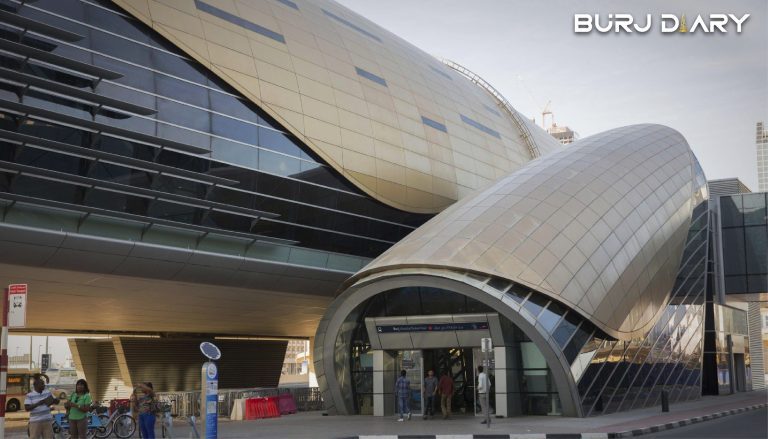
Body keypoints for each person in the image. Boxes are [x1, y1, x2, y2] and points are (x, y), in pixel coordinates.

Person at [25, 375, 59, 439]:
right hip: (35, 422)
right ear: (36, 385)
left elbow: (57, 402)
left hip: (47, 420)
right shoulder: (29, 395)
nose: (44, 385)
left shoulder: (47, 392)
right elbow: (27, 408)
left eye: (43, 384)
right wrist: (38, 403)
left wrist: (55, 400)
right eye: (42, 384)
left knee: (49, 437)